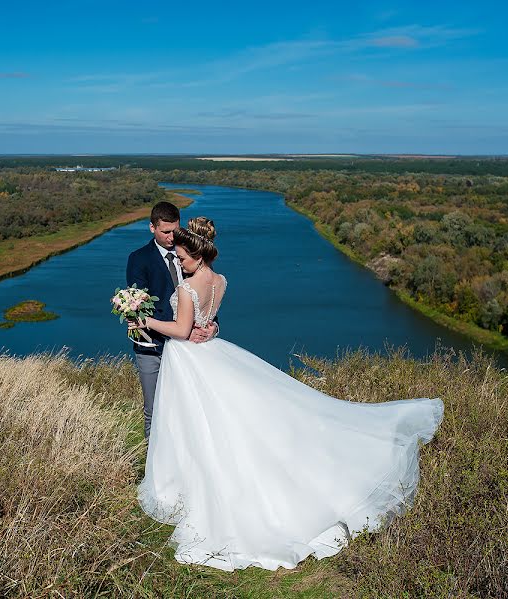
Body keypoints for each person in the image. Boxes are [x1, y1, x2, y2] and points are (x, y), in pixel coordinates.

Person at [129, 216, 444, 572]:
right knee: (216, 425)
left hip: (189, 361)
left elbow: (183, 330)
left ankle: (197, 492)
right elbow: (207, 319)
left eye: (184, 257)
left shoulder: (187, 288)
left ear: (198, 256)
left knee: (196, 427)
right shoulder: (220, 281)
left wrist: (144, 321)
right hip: (211, 354)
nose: (180, 262)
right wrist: (211, 326)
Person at [126, 201, 217, 440]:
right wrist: (183, 331)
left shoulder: (189, 254)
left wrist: (213, 326)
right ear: (151, 228)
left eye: (174, 231)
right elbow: (140, 307)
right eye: (165, 232)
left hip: (189, 351)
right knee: (153, 411)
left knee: (187, 411)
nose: (170, 237)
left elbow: (205, 296)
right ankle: (152, 467)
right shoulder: (139, 259)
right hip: (152, 348)